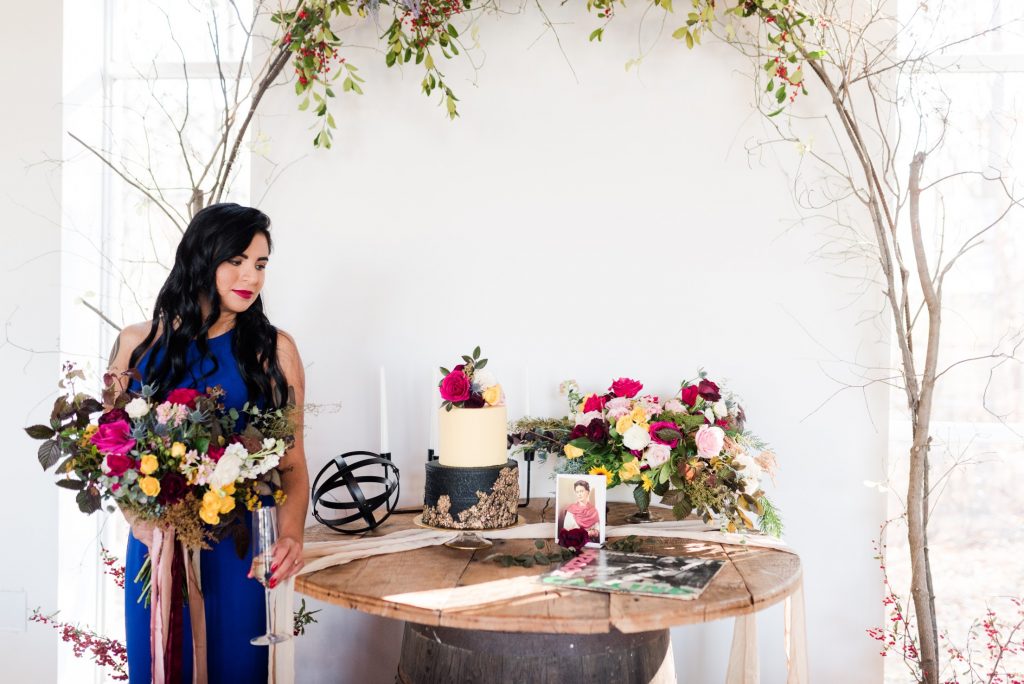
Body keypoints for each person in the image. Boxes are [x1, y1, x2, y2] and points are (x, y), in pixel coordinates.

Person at [106, 203, 309, 683]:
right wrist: (140, 523)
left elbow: (295, 467)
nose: (251, 277)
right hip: (159, 553)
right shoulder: (136, 344)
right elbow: (112, 455)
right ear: (201, 257)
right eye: (237, 261)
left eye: (260, 264)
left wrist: (292, 536)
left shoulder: (274, 351)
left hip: (241, 555)